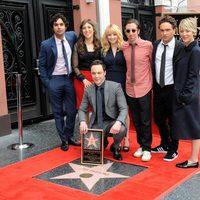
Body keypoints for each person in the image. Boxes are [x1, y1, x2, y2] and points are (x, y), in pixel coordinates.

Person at [39, 13, 80, 151]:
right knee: (57, 112)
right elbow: (42, 66)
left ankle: (69, 136)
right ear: (53, 27)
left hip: (69, 78)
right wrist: (47, 83)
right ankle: (64, 140)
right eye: (56, 24)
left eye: (61, 24)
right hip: (54, 80)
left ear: (65, 26)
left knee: (72, 110)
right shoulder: (46, 44)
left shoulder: (72, 36)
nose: (59, 27)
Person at [79, 60, 128, 160]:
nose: (96, 76)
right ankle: (104, 141)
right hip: (97, 123)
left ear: (105, 73)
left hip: (112, 122)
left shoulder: (115, 86)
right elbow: (82, 109)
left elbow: (124, 108)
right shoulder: (88, 90)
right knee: (91, 157)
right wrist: (83, 122)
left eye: (99, 73)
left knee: (122, 128)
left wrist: (118, 122)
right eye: (94, 73)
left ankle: (115, 146)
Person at [151, 16, 184, 161]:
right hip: (158, 88)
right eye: (162, 30)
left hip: (173, 89)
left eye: (168, 30)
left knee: (173, 120)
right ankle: (164, 143)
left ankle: (173, 148)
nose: (164, 33)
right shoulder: (156, 44)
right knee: (158, 118)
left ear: (174, 30)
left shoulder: (180, 47)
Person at [123, 19, 153, 162]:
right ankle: (141, 145)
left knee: (145, 120)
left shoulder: (148, 46)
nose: (130, 33)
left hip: (144, 87)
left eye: (133, 30)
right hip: (130, 89)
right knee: (136, 120)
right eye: (128, 31)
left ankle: (147, 148)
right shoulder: (124, 47)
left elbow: (153, 64)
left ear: (139, 31)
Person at [173, 17, 200, 168]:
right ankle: (193, 158)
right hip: (183, 94)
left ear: (194, 32)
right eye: (182, 31)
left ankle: (193, 159)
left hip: (189, 96)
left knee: (195, 127)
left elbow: (193, 76)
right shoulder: (184, 48)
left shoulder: (195, 50)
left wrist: (184, 96)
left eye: (187, 31)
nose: (184, 34)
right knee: (192, 126)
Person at [101, 24, 130, 152]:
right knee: (110, 110)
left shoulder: (124, 48)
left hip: (122, 82)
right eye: (109, 35)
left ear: (118, 35)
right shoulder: (103, 50)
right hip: (108, 83)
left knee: (124, 110)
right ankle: (114, 138)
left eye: (114, 34)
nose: (112, 37)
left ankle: (127, 138)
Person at [72, 19, 101, 109]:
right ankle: (85, 124)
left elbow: (102, 62)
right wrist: (83, 79)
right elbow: (74, 66)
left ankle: (97, 124)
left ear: (93, 29)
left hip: (97, 77)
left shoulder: (99, 44)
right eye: (84, 28)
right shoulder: (77, 45)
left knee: (98, 106)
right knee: (84, 108)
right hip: (82, 80)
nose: (86, 30)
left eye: (89, 27)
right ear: (81, 31)